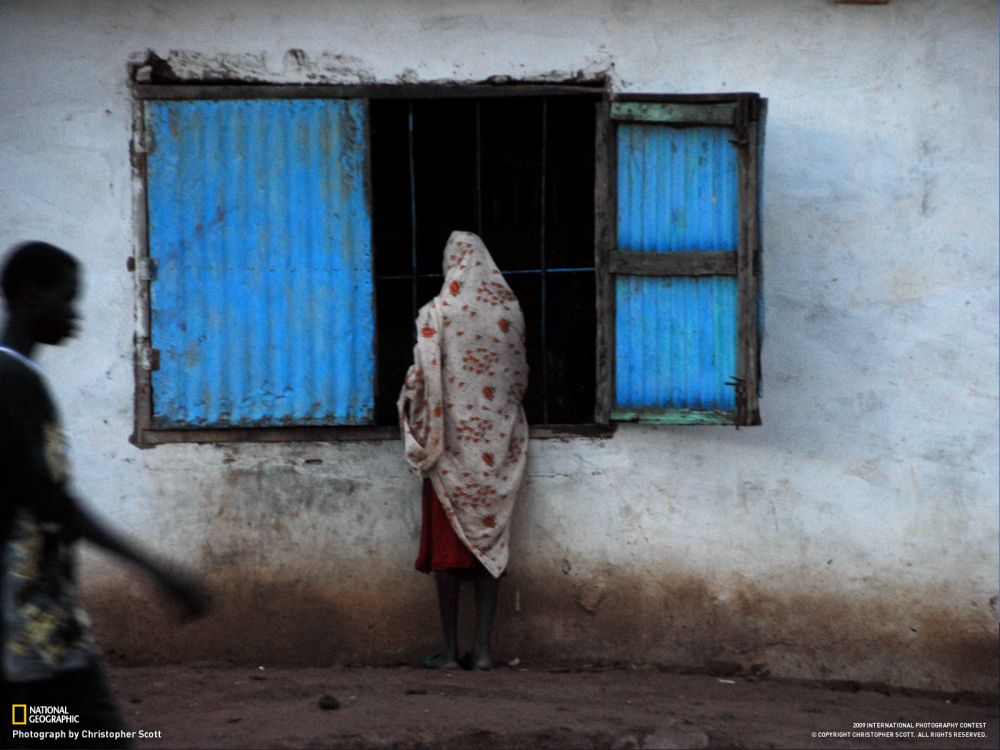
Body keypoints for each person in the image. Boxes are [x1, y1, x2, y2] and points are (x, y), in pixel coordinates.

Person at [0, 241, 208, 748]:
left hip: (43, 628)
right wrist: (154, 568)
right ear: (30, 294)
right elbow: (50, 501)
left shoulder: (22, 379)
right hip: (27, 632)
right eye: (67, 298)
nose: (75, 314)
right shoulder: (10, 381)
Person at [398, 231, 529, 672]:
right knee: (490, 546)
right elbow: (519, 379)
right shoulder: (509, 312)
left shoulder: (438, 314)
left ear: (452, 263)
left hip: (450, 450)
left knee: (448, 554)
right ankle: (484, 651)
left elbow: (420, 380)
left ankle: (450, 652)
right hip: (497, 449)